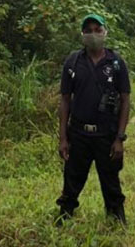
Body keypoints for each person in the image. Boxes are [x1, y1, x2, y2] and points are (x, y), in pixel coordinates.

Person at [56, 13, 131, 225]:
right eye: (88, 30)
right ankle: (64, 218)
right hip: (78, 133)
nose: (93, 34)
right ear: (82, 34)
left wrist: (119, 138)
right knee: (72, 180)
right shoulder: (73, 62)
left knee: (111, 182)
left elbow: (125, 101)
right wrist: (63, 138)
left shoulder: (116, 63)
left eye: (97, 30)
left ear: (105, 32)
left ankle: (117, 222)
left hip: (106, 135)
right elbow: (64, 101)